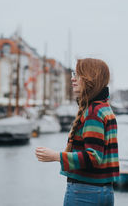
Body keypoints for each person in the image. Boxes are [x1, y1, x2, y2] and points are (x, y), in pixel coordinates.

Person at [35, 58, 119, 206]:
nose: (73, 79)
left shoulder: (93, 112)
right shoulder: (104, 108)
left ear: (91, 79)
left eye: (78, 75)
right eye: (74, 74)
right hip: (103, 191)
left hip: (85, 192)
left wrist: (56, 156)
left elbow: (93, 157)